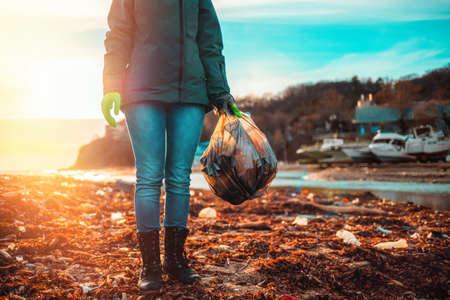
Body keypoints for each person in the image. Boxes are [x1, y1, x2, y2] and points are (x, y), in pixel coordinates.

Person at [101, 0, 241, 291]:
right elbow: (118, 34)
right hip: (141, 90)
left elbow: (210, 41)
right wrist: (112, 85)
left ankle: (175, 261)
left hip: (190, 91)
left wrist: (221, 92)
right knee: (149, 176)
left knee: (179, 177)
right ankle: (150, 266)